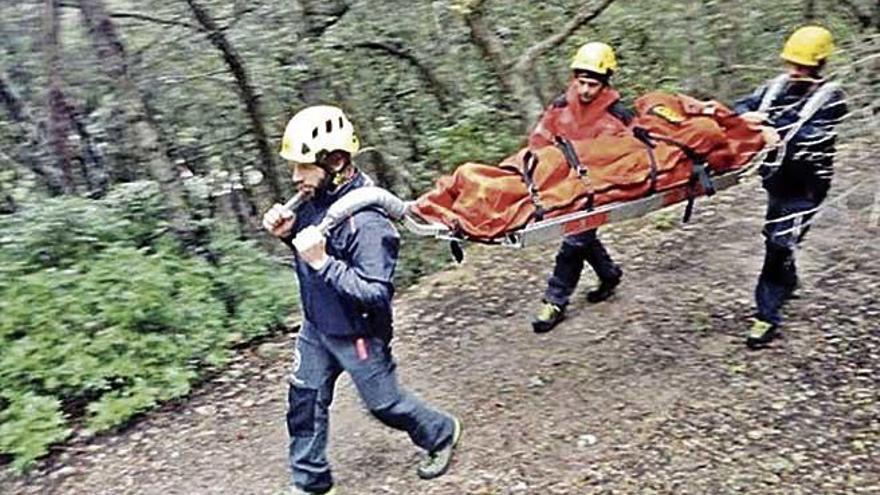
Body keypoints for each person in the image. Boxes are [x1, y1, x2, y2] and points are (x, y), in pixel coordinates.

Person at [262, 105, 462, 494]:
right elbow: (311, 248)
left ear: (335, 160)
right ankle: (311, 484)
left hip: (358, 332)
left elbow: (376, 292)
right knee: (304, 404)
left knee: (385, 405)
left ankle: (441, 433)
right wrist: (288, 235)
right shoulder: (313, 199)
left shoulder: (368, 221)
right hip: (317, 326)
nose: (294, 176)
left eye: (303, 167)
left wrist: (321, 262)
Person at [734, 26, 847, 348]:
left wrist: (772, 130)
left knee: (779, 243)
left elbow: (810, 136)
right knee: (777, 236)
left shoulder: (832, 98)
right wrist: (749, 117)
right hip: (777, 181)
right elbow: (743, 105)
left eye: (803, 67)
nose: (795, 72)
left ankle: (766, 315)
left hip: (807, 187)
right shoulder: (775, 88)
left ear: (819, 64)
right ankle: (789, 278)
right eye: (792, 65)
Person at [530, 42, 634, 333]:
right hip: (564, 185)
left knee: (574, 240)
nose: (586, 90)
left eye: (593, 84)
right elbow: (540, 138)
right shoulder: (562, 105)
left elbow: (627, 156)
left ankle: (555, 300)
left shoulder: (617, 114)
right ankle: (609, 274)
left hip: (598, 188)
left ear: (605, 83)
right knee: (580, 236)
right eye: (582, 82)